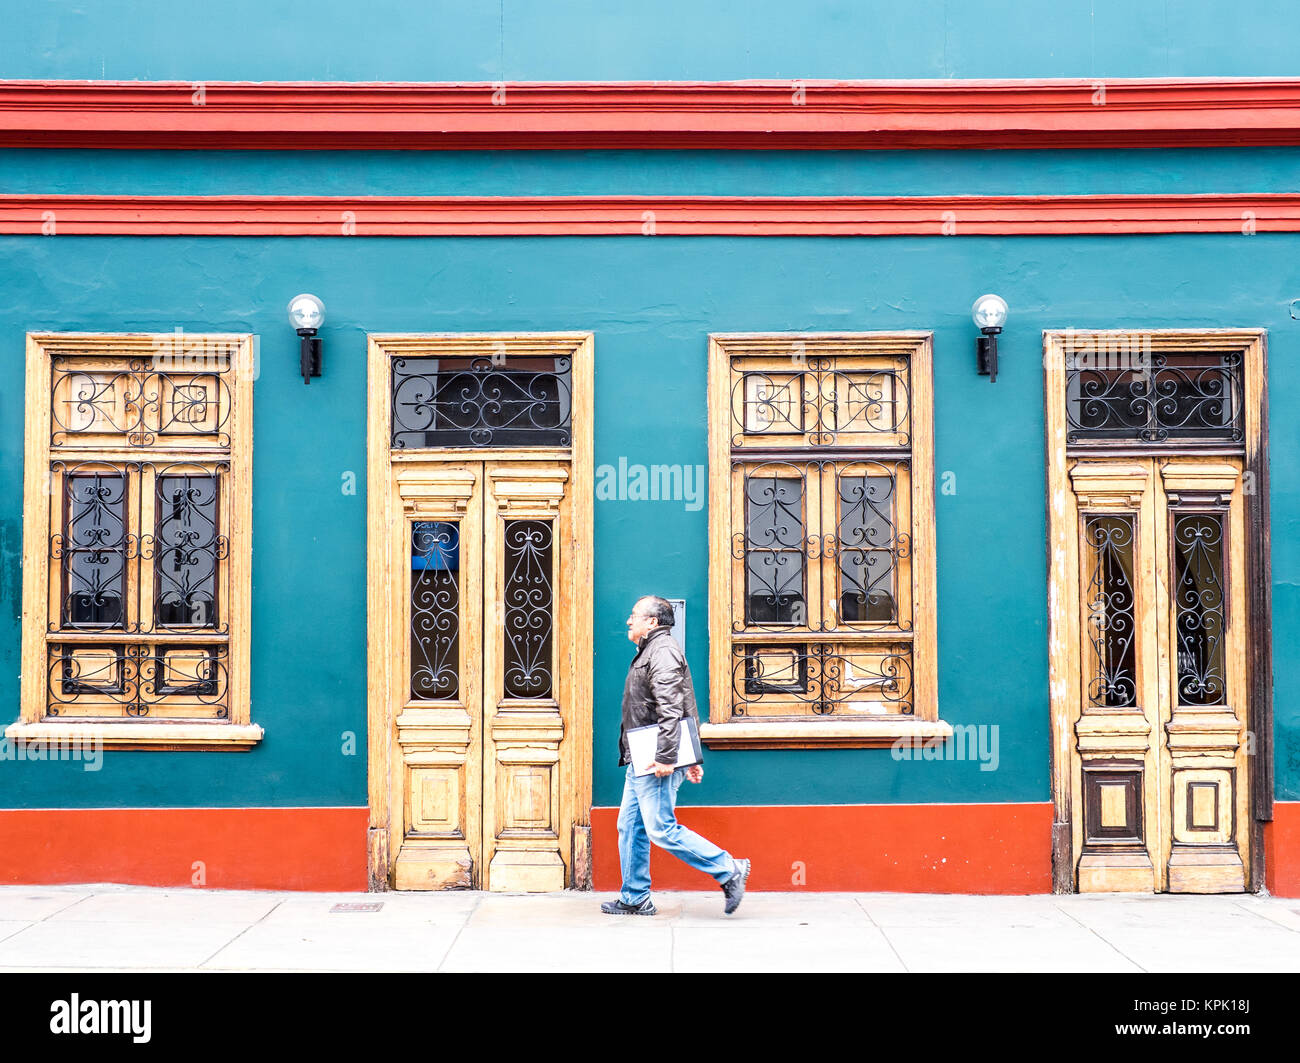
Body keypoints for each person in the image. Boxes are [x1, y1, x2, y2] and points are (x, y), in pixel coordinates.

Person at [601, 595, 750, 916]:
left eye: (634, 615)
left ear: (651, 622)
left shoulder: (662, 651)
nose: (629, 621)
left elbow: (672, 709)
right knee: (631, 826)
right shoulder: (653, 650)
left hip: (656, 758)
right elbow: (687, 704)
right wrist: (692, 756)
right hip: (643, 756)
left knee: (660, 828)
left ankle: (729, 868)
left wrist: (670, 758)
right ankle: (635, 896)